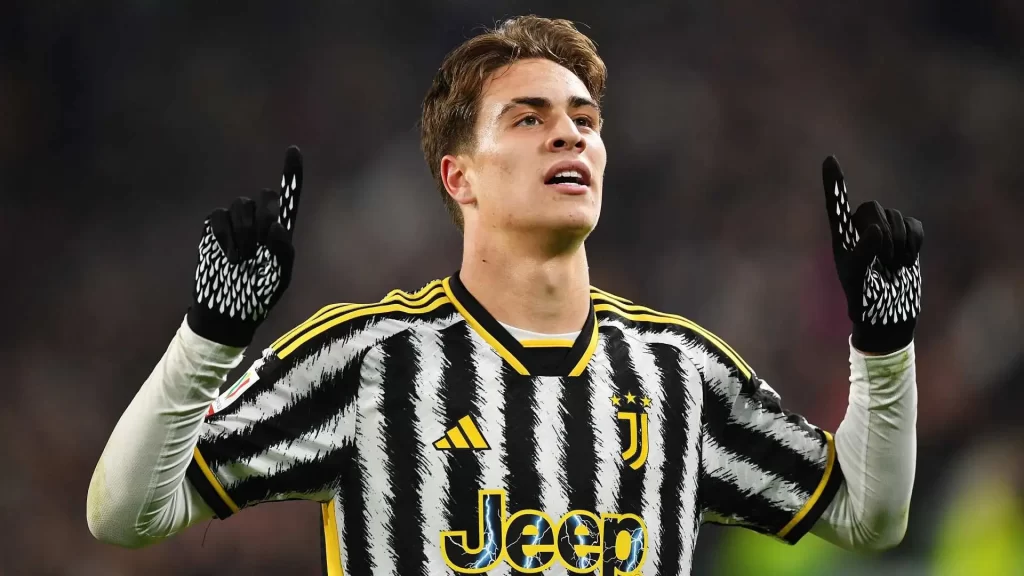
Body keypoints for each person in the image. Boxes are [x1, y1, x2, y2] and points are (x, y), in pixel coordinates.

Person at [87, 15, 923, 576]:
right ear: (460, 177)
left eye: (585, 120)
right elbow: (124, 514)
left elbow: (866, 515)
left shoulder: (681, 370)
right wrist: (210, 337)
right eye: (528, 118)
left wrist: (884, 347)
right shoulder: (366, 362)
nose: (570, 134)